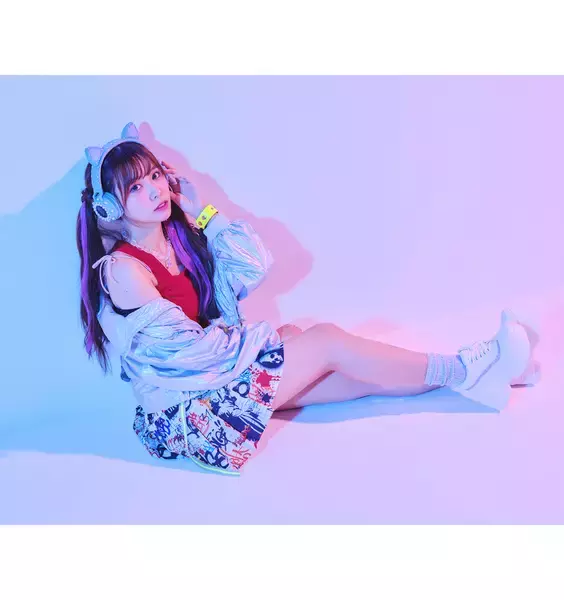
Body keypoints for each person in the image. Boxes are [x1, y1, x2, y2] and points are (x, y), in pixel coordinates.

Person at [77, 122, 540, 477]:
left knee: (338, 364)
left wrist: (205, 213)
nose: (155, 190)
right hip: (189, 416)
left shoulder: (179, 242)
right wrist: (260, 345)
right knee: (324, 342)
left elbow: (252, 266)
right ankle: (470, 368)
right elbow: (190, 357)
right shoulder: (122, 270)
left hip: (213, 387)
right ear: (109, 208)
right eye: (135, 187)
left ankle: (484, 376)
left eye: (155, 175)